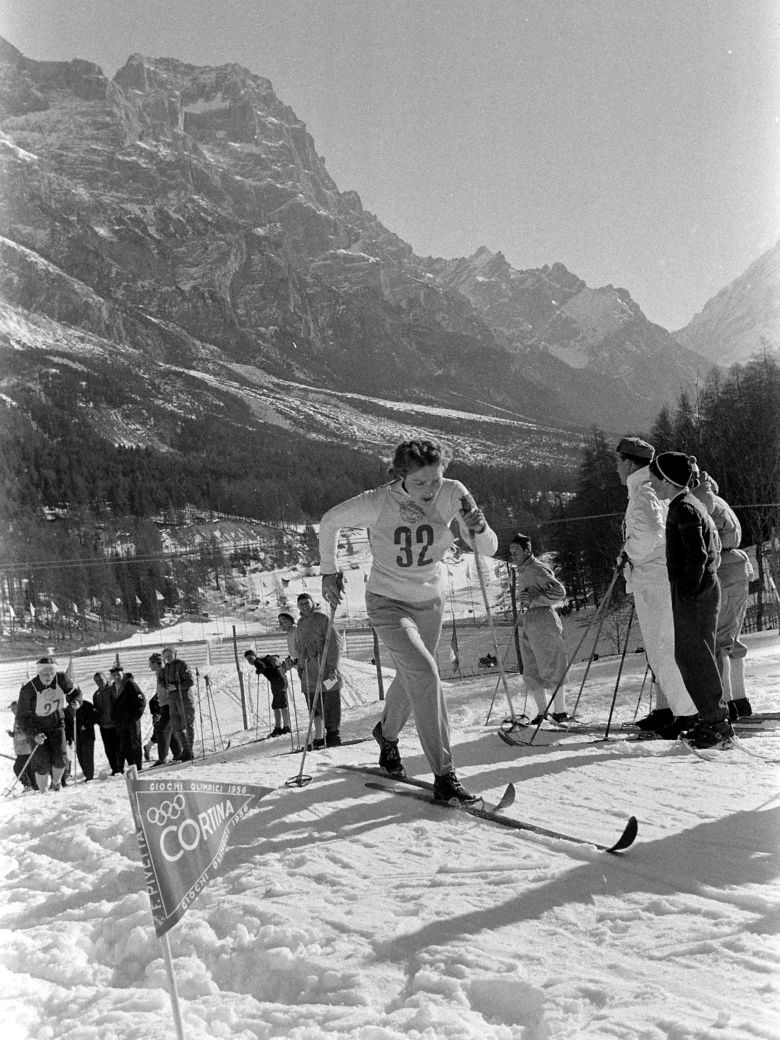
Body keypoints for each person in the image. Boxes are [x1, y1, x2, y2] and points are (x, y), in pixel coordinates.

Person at [318, 438, 497, 804]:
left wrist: (479, 529)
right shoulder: (379, 501)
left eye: (435, 479)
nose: (430, 490)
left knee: (414, 672)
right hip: (388, 602)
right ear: (400, 476)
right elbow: (330, 521)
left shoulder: (453, 493)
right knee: (426, 674)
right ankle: (445, 775)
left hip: (431, 601)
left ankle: (387, 733)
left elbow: (489, 547)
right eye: (420, 483)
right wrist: (328, 571)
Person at [648, 452, 732, 749]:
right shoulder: (689, 503)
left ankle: (716, 724)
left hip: (695, 592)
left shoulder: (681, 508)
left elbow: (697, 553)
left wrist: (687, 589)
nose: (653, 484)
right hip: (702, 589)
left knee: (693, 656)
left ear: (669, 481)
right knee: (695, 655)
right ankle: (712, 718)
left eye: (656, 478)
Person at [615, 436, 698, 738]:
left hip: (654, 580)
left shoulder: (643, 492)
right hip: (654, 578)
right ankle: (685, 710)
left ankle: (688, 713)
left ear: (627, 462)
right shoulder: (644, 489)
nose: (617, 469)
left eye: (618, 463)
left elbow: (651, 534)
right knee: (663, 648)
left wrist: (628, 552)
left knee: (662, 649)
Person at [691, 466, 755, 720]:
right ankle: (740, 699)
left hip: (720, 569)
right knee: (731, 636)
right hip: (739, 567)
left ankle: (728, 703)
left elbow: (703, 540)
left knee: (717, 641)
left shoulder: (701, 502)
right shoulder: (718, 500)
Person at [508, 534, 570, 724]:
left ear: (527, 551)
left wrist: (535, 600)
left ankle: (560, 712)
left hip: (543, 619)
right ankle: (543, 713)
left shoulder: (536, 569)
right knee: (531, 669)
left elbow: (559, 592)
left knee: (551, 666)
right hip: (529, 621)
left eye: (516, 551)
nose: (513, 556)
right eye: (511, 553)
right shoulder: (523, 570)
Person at [15, 656, 75, 792]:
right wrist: (33, 734)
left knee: (61, 758)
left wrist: (76, 701)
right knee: (42, 763)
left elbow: (75, 692)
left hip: (56, 723)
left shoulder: (62, 679)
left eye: (51, 674)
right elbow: (21, 717)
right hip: (37, 727)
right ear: (38, 673)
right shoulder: (28, 689)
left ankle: (56, 783)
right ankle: (43, 791)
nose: (48, 677)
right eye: (44, 674)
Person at [295, 593, 342, 748]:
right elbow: (300, 646)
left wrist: (332, 666)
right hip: (309, 669)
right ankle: (319, 736)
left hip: (326, 667)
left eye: (306, 603)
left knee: (330, 699)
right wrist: (300, 666)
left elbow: (334, 642)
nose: (304, 606)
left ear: (311, 603)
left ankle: (333, 733)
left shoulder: (322, 619)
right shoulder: (300, 623)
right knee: (313, 702)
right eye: (300, 604)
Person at [244, 649, 291, 736]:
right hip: (278, 681)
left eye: (250, 658)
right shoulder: (261, 660)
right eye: (248, 659)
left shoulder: (257, 662)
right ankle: (278, 727)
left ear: (255, 656)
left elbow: (262, 666)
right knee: (276, 705)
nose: (250, 661)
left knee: (282, 704)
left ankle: (286, 727)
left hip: (278, 682)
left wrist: (260, 669)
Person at [161, 646, 196, 761]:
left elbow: (190, 681)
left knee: (187, 723)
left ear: (175, 654)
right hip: (172, 698)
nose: (168, 658)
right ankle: (184, 749)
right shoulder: (166, 668)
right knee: (176, 725)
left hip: (184, 697)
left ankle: (189, 750)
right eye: (166, 656)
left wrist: (176, 686)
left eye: (170, 655)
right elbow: (164, 681)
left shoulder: (182, 664)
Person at [110, 664, 146, 772]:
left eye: (118, 674)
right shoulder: (112, 688)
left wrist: (134, 717)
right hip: (122, 722)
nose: (116, 677)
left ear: (122, 673)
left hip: (131, 721)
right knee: (125, 745)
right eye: (114, 675)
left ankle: (138, 768)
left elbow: (141, 702)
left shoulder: (129, 684)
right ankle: (132, 767)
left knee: (135, 743)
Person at [148, 652, 179, 764]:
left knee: (161, 730)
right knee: (169, 730)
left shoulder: (163, 673)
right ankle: (178, 753)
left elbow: (169, 689)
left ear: (156, 663)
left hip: (168, 705)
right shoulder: (159, 673)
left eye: (151, 664)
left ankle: (162, 758)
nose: (149, 666)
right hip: (163, 705)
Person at [64, 688, 97, 782]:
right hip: (77, 737)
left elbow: (94, 717)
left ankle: (89, 776)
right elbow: (68, 725)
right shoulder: (68, 710)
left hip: (87, 736)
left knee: (87, 756)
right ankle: (86, 773)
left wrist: (86, 724)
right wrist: (69, 738)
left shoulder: (87, 705)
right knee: (81, 757)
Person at [93, 671, 122, 775]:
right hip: (104, 725)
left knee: (118, 747)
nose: (99, 682)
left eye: (101, 679)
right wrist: (98, 719)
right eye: (96, 681)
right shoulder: (96, 694)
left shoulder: (112, 689)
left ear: (106, 678)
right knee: (109, 749)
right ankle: (114, 768)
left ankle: (120, 767)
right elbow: (96, 709)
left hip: (115, 724)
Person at [8, 700, 34, 790]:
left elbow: (26, 733)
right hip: (22, 750)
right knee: (27, 769)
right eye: (11, 708)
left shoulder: (22, 718)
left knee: (18, 768)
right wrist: (13, 735)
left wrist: (15, 735)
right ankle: (31, 786)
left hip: (26, 749)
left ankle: (28, 785)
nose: (12, 710)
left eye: (14, 708)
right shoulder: (18, 718)